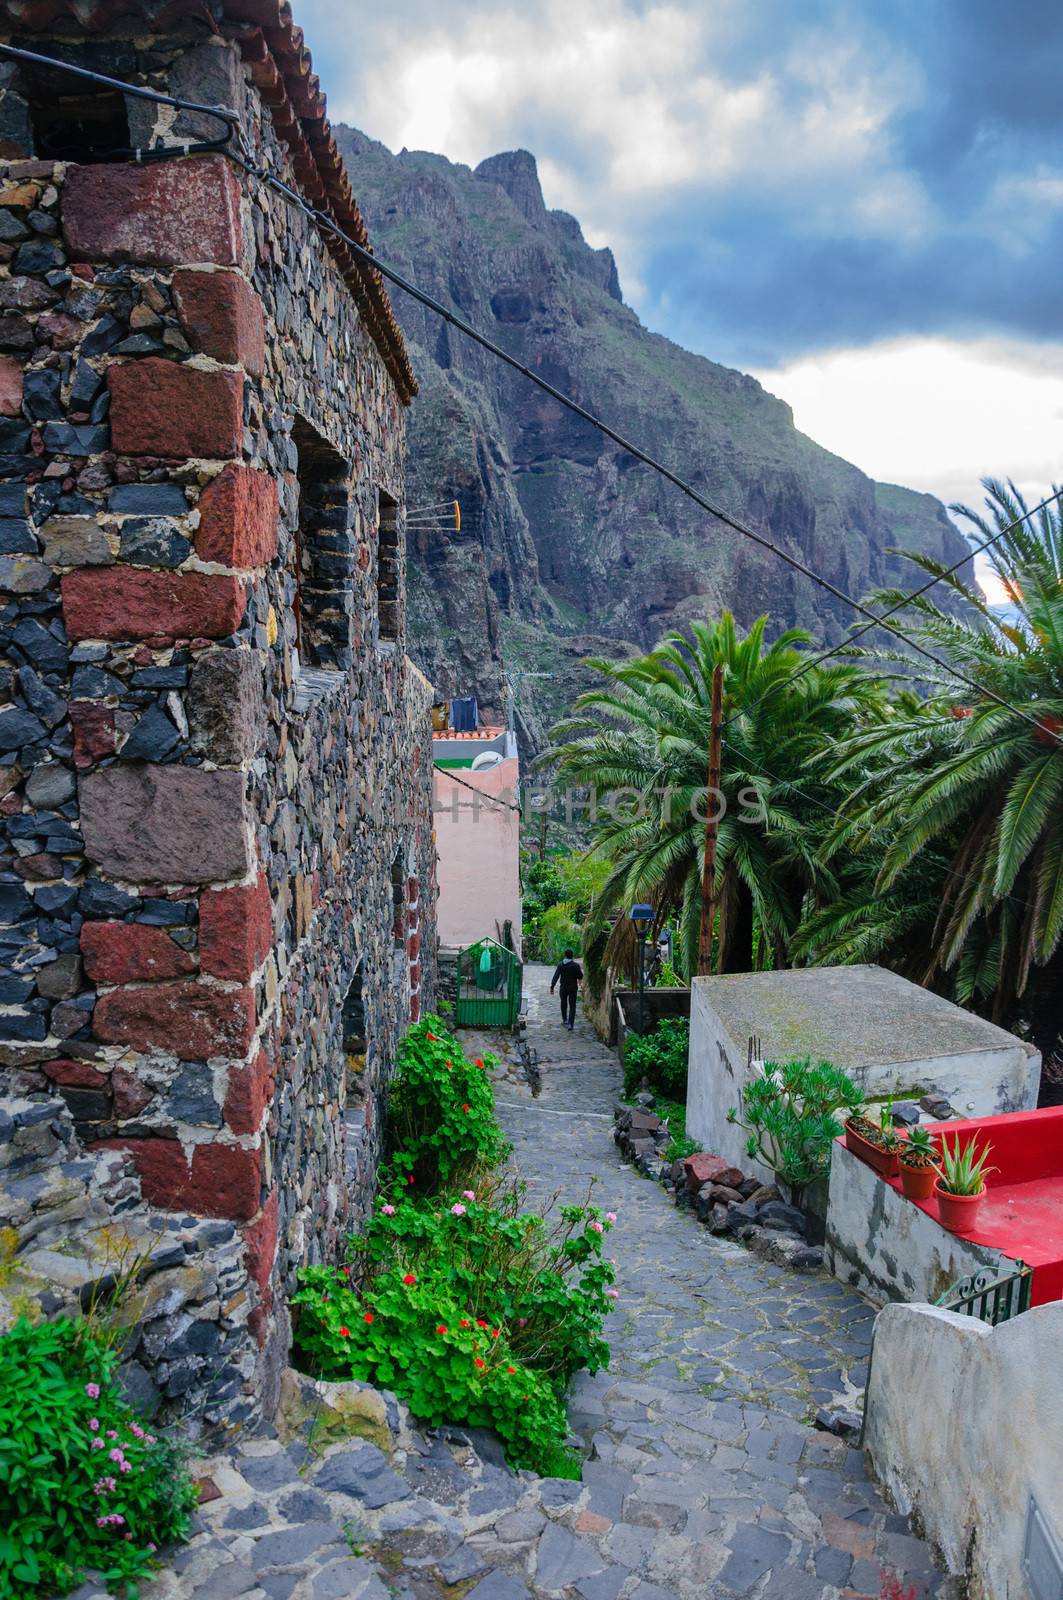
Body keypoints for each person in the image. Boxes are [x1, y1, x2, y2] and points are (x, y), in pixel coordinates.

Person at [550, 949, 583, 1030]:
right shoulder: (576, 965)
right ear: (572, 956)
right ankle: (571, 1024)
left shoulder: (561, 965)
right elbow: (580, 976)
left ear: (565, 955)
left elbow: (556, 976)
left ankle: (565, 1020)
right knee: (572, 1006)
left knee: (563, 1003)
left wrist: (552, 986)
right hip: (573, 988)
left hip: (563, 988)